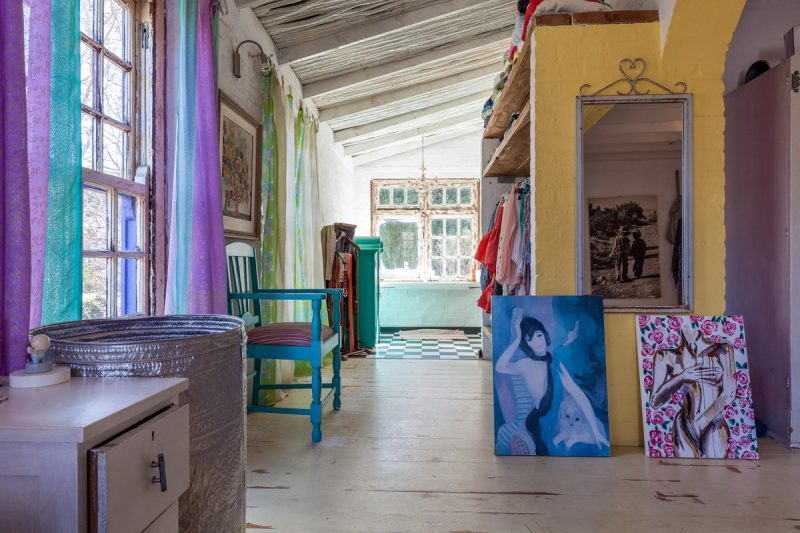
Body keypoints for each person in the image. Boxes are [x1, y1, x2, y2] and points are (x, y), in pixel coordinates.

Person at [649, 328, 737, 458]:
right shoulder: (665, 356)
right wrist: (682, 377)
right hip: (684, 424)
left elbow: (729, 392)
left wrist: (702, 421)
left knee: (716, 466)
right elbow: (655, 402)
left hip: (713, 421)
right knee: (686, 467)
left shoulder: (722, 350)